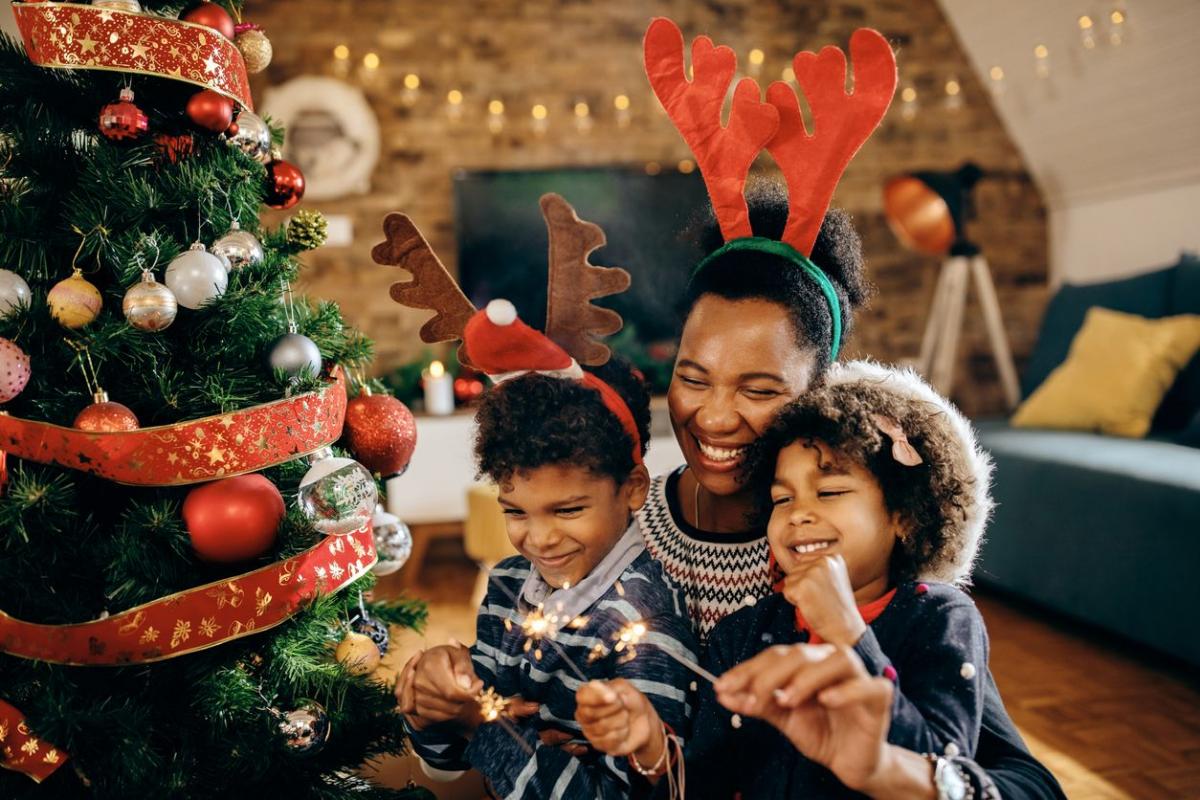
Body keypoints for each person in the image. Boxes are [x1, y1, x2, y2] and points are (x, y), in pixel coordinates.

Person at [579, 360, 998, 797]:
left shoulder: (938, 617)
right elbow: (707, 781)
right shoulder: (741, 634)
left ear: (905, 517)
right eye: (782, 498)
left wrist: (848, 632)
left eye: (830, 492)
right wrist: (650, 745)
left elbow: (946, 772)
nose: (799, 513)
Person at [400, 303, 698, 799]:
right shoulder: (508, 585)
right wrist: (430, 703)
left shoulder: (644, 628)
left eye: (567, 510)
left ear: (633, 488)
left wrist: (481, 725)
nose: (538, 540)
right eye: (516, 512)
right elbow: (449, 767)